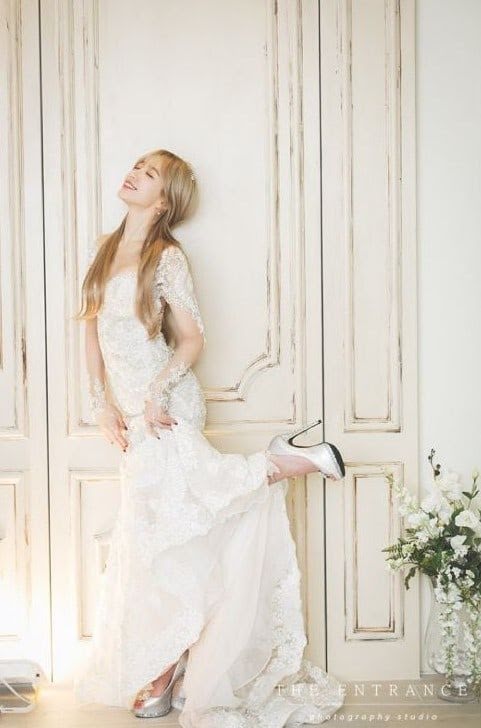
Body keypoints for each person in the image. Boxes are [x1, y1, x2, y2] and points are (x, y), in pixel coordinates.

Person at [72, 148, 346, 727]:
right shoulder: (104, 250)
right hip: (132, 415)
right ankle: (283, 459)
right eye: (136, 166)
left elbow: (192, 338)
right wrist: (101, 407)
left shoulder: (166, 256)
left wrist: (156, 393)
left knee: (173, 533)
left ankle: (165, 668)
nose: (134, 174)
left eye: (149, 173)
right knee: (160, 535)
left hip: (167, 407)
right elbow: (91, 339)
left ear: (164, 199)